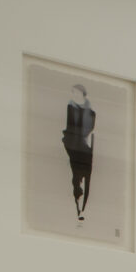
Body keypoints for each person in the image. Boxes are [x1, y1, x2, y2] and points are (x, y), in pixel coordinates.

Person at [61, 84, 96, 221]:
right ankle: (78, 203)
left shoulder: (91, 113)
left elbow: (89, 130)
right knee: (77, 173)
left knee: (82, 173)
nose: (74, 95)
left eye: (76, 92)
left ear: (83, 94)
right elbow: (70, 128)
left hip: (82, 146)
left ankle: (80, 204)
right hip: (72, 143)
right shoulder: (70, 108)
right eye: (72, 92)